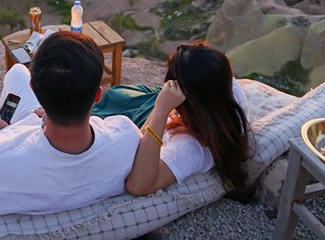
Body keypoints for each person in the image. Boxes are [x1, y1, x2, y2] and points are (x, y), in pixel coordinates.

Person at [0, 30, 140, 217]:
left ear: (35, 89)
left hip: (11, 145)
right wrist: (44, 119)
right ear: (98, 96)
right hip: (42, 131)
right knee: (17, 72)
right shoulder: (127, 136)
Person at [94, 42, 251, 196]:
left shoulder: (190, 148)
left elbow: (137, 186)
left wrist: (161, 111)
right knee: (117, 95)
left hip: (155, 121)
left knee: (104, 109)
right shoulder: (224, 90)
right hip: (172, 111)